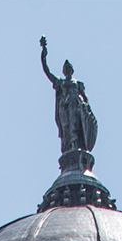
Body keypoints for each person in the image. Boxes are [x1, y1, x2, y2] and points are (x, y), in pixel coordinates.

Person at [40, 36, 98, 169]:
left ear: (72, 70)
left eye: (69, 68)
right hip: (66, 108)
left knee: (77, 127)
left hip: (77, 107)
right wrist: (44, 53)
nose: (68, 70)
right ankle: (70, 149)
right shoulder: (61, 83)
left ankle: (77, 148)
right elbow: (47, 71)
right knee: (68, 129)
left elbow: (86, 100)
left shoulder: (78, 84)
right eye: (66, 69)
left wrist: (85, 108)